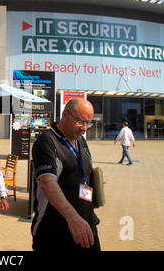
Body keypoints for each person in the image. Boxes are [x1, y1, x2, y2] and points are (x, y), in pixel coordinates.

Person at [31, 98, 101, 251]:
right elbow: (47, 182)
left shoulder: (81, 140)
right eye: (80, 122)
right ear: (65, 114)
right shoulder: (46, 142)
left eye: (88, 123)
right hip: (55, 234)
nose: (84, 128)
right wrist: (73, 218)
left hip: (86, 229)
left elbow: (84, 176)